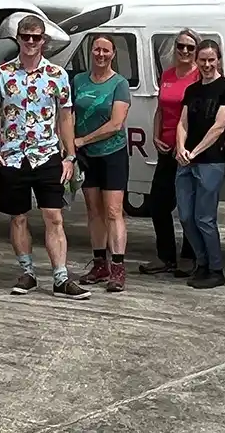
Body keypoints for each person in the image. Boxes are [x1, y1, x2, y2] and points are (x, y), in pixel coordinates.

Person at [0, 15, 89, 299]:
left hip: (46, 153)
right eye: (25, 37)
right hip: (13, 155)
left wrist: (70, 155)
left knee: (53, 216)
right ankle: (27, 272)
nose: (31, 42)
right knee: (18, 217)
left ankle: (60, 276)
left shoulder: (57, 75)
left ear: (44, 40)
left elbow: (66, 115)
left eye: (36, 37)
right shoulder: (1, 74)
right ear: (18, 39)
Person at [174, 39, 225, 289]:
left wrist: (195, 151)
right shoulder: (192, 90)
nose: (207, 65)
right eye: (203, 60)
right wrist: (181, 147)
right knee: (186, 216)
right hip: (187, 161)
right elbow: (183, 123)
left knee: (205, 218)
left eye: (211, 60)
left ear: (218, 59)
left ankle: (216, 268)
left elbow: (219, 126)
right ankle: (201, 263)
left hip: (210, 162)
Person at [73, 35, 133, 292]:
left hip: (112, 153)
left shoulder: (119, 84)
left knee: (113, 211)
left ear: (112, 54)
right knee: (93, 210)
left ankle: (118, 266)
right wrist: (69, 145)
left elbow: (116, 124)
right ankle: (100, 263)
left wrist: (82, 139)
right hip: (86, 156)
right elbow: (69, 113)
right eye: (96, 49)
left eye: (105, 51)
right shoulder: (78, 80)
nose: (100, 54)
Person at [139, 29, 200, 277]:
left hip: (186, 150)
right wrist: (155, 136)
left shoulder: (199, 76)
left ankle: (189, 255)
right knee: (158, 204)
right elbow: (161, 110)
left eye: (189, 47)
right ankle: (165, 255)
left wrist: (184, 144)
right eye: (180, 46)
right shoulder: (167, 75)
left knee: (188, 205)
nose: (184, 51)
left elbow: (199, 116)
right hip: (165, 148)